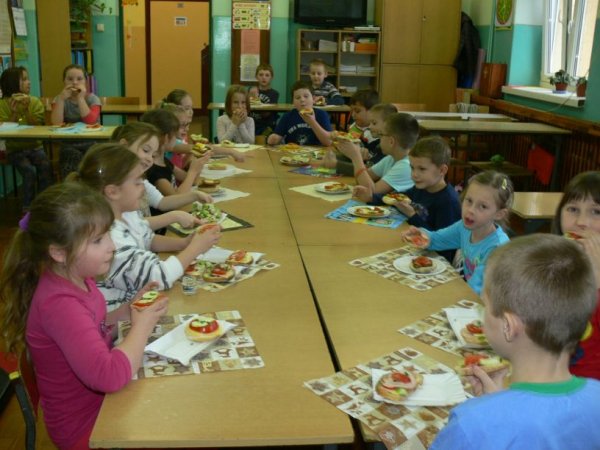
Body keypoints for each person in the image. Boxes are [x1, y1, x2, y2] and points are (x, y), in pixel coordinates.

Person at [0, 182, 169, 449]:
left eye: (109, 234)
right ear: (59, 252)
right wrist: (142, 326)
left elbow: (94, 327)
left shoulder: (80, 277)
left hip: (102, 406)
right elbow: (108, 376)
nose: (112, 246)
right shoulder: (59, 305)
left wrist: (129, 310)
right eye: (98, 240)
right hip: (87, 428)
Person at [430, 234, 600, 449]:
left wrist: (494, 408)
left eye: (485, 306)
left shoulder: (472, 424)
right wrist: (500, 401)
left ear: (508, 327)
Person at [68, 143, 220, 312]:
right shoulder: (109, 236)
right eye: (137, 183)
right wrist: (195, 248)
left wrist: (184, 243)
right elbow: (159, 277)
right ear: (113, 192)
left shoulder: (127, 214)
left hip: (138, 305)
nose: (143, 189)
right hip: (120, 319)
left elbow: (148, 239)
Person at [402, 170, 512, 295]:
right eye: (469, 200)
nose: (471, 210)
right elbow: (438, 239)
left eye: (483, 206)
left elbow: (476, 290)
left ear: (499, 214)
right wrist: (422, 235)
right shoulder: (464, 228)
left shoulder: (497, 249)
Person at [112, 122, 211, 231]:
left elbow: (161, 202)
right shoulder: (114, 185)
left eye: (153, 154)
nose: (150, 159)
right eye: (146, 150)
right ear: (124, 145)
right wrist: (174, 217)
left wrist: (195, 195)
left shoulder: (140, 179)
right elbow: (133, 226)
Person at [551, 171, 600, 379]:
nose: (581, 222)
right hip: (550, 375)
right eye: (572, 209)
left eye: (596, 212)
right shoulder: (553, 260)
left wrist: (596, 278)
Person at [387, 136, 461, 262]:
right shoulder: (421, 187)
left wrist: (412, 215)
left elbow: (443, 246)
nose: (414, 174)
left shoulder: (448, 202)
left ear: (442, 170)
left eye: (422, 169)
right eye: (412, 168)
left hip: (436, 260)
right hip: (416, 247)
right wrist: (372, 196)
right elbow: (398, 197)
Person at [0, 67, 52, 209]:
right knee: (29, 172)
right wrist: (14, 113)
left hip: (35, 147)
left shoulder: (34, 102)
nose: (29, 82)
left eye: (27, 79)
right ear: (12, 82)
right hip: (14, 149)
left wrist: (27, 109)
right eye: (24, 79)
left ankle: (43, 203)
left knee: (45, 166)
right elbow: (4, 130)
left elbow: (38, 126)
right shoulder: (2, 104)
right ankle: (27, 206)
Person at [141, 108, 209, 217]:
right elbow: (178, 199)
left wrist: (198, 161)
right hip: (165, 223)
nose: (178, 139)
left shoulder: (164, 161)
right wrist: (192, 172)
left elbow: (192, 181)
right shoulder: (153, 170)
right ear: (166, 137)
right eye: (175, 135)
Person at [337, 112, 418, 202]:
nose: (379, 139)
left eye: (381, 135)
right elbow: (362, 179)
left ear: (391, 142)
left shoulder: (406, 166)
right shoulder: (391, 158)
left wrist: (356, 158)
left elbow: (370, 193)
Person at [50, 64, 101, 180]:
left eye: (79, 79)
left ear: (85, 82)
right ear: (64, 81)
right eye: (70, 79)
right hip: (68, 143)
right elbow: (56, 123)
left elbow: (91, 121)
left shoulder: (93, 99)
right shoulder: (59, 99)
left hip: (91, 142)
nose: (74, 82)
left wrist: (80, 98)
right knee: (71, 158)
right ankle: (71, 188)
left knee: (91, 162)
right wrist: (61, 99)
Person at [267, 80, 332, 147]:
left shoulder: (322, 115)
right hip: (293, 151)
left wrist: (312, 121)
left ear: (313, 99)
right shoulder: (287, 116)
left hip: (317, 152)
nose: (302, 100)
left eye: (306, 96)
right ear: (293, 102)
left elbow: (328, 142)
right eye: (298, 98)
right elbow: (276, 137)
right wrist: (274, 139)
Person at [334, 90, 383, 175]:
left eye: (357, 111)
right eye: (351, 111)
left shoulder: (377, 135)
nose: (353, 115)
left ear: (372, 112)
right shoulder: (354, 126)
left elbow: (370, 165)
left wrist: (336, 164)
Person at [248, 63, 280, 136]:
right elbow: (246, 108)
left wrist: (256, 99)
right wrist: (250, 96)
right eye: (261, 75)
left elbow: (266, 114)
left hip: (266, 127)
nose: (264, 78)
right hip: (251, 124)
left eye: (267, 75)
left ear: (271, 77)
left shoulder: (274, 94)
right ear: (256, 76)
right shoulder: (251, 90)